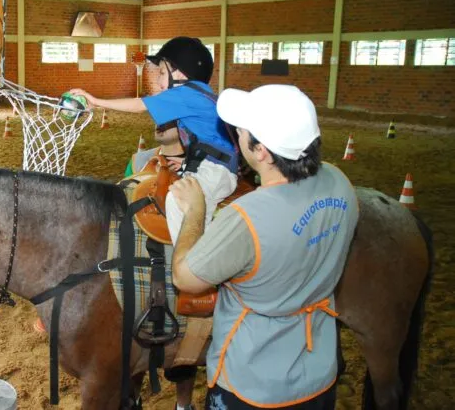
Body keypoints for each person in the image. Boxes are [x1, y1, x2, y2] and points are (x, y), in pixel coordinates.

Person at [169, 85, 360, 410]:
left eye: (241, 131)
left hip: (251, 384)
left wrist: (195, 211)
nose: (237, 133)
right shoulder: (339, 181)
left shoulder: (246, 218)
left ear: (261, 152)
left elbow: (184, 278)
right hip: (318, 373)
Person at [69, 36, 238, 245]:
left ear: (179, 72)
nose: (158, 81)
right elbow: (210, 141)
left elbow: (140, 105)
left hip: (215, 171)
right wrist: (187, 163)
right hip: (211, 165)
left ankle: (192, 262)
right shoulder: (199, 94)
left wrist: (96, 101)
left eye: (161, 72)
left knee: (178, 202)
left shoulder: (187, 93)